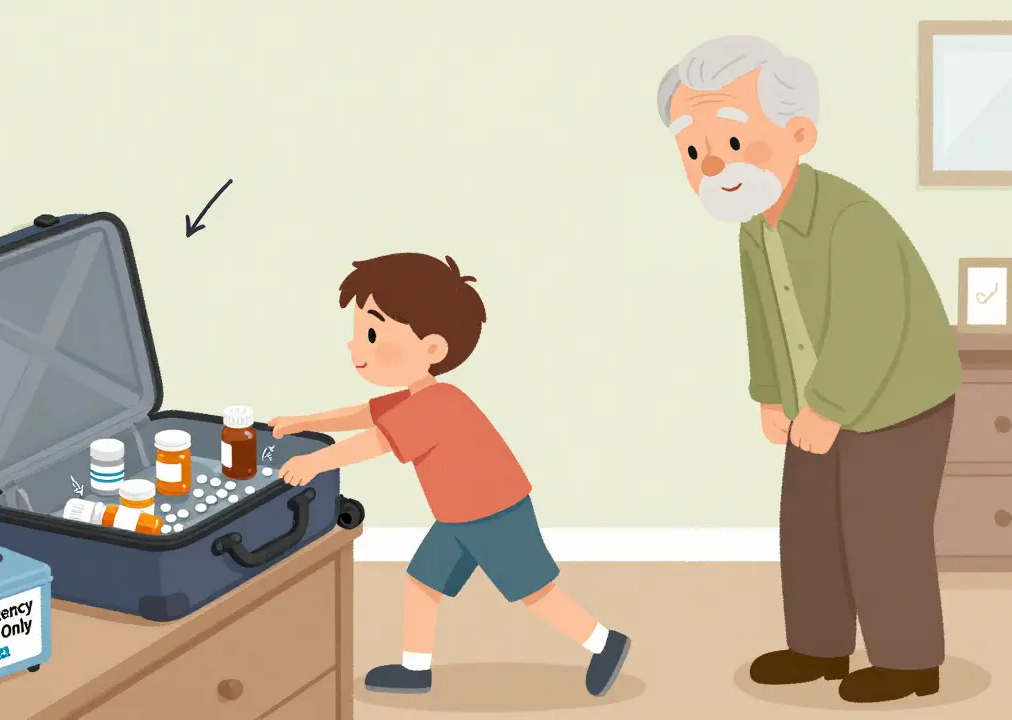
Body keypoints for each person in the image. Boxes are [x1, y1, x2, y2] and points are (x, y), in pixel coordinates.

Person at [656, 36, 962, 704]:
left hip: (897, 396)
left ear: (799, 133)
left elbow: (870, 327)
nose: (713, 165)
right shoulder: (753, 227)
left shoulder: (849, 219)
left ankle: (910, 660)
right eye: (692, 151)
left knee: (881, 525)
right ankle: (820, 647)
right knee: (809, 522)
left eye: (732, 144)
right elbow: (765, 318)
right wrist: (771, 394)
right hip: (816, 398)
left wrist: (829, 406)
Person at [267, 252, 631, 697]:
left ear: (433, 349)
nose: (355, 345)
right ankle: (416, 670)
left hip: (494, 512)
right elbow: (366, 415)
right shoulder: (414, 398)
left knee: (535, 591)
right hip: (458, 516)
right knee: (424, 582)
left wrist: (316, 461)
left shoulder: (437, 404)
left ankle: (604, 642)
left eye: (372, 332)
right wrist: (307, 422)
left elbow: (377, 442)